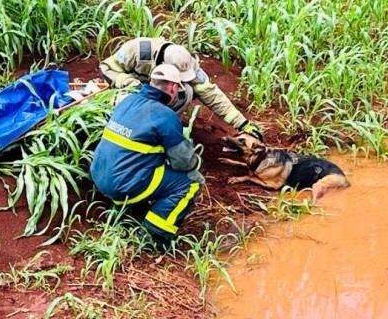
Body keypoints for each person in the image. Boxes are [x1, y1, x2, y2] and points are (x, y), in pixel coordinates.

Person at [90, 64, 205, 250]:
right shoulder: (165, 116)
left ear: (151, 82)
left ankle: (131, 214)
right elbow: (184, 162)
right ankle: (154, 237)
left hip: (100, 176)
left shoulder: (127, 100)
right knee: (192, 181)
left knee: (144, 163)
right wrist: (198, 161)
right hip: (123, 184)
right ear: (174, 88)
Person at [98, 37, 264, 140]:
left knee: (187, 92)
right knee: (124, 100)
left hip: (157, 94)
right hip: (133, 92)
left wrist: (242, 123)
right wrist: (128, 82)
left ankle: (166, 128)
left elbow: (209, 92)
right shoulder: (138, 50)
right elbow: (107, 67)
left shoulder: (187, 62)